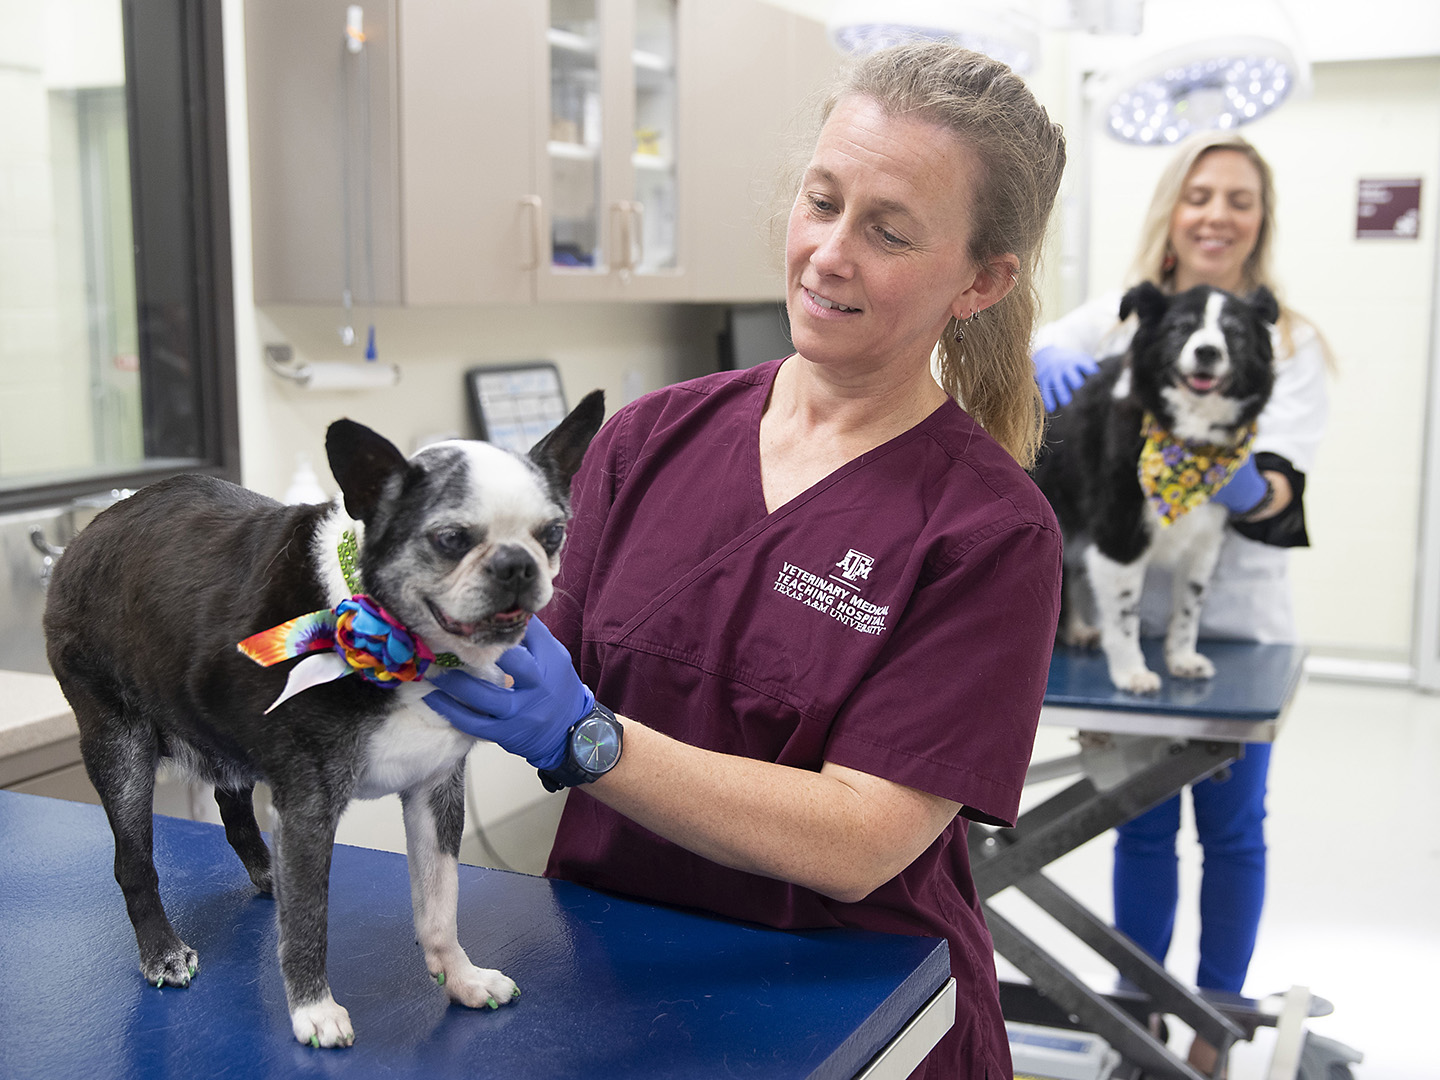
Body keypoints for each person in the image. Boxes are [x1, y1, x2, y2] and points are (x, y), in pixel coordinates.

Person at [422, 43, 1067, 1079]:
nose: (828, 253)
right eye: (822, 201)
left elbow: (861, 839)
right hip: (611, 986)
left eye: (889, 231)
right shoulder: (649, 440)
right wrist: (389, 615)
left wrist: (591, 741)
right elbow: (517, 651)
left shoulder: (990, 532)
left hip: (856, 1017)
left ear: (982, 280)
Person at [1031, 131, 1330, 1074]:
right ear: (1176, 206)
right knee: (1142, 823)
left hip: (1234, 628)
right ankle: (1137, 1016)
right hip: (1124, 626)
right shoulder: (1125, 320)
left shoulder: (1289, 342)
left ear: (1259, 220)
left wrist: (1239, 476)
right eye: (1202, 194)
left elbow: (1282, 495)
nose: (1218, 213)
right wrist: (1041, 366)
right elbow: (1030, 344)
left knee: (1232, 829)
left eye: (1240, 199)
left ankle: (1216, 1023)